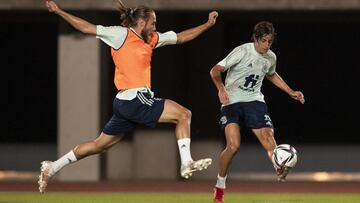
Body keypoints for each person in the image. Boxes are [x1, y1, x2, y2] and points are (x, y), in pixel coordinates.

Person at [39, 0, 218, 193]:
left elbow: (181, 37)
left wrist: (207, 25)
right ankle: (186, 163)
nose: (155, 27)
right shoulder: (120, 34)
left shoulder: (151, 38)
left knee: (99, 145)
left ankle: (53, 167)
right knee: (184, 114)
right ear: (141, 23)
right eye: (153, 23)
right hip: (133, 99)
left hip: (125, 104)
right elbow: (87, 27)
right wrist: (59, 11)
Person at [210, 21, 305, 203]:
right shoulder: (242, 51)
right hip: (231, 102)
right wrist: (221, 88)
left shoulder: (270, 57)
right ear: (255, 38)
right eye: (264, 41)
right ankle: (220, 187)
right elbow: (215, 70)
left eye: (270, 42)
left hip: (254, 101)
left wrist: (290, 91)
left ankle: (279, 165)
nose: (266, 45)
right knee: (233, 146)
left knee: (269, 139)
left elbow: (271, 74)